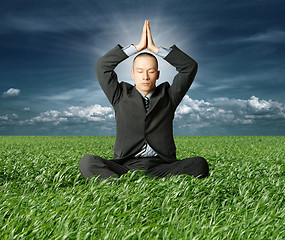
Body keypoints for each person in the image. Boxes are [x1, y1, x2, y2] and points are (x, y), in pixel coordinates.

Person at [79, 20, 209, 183]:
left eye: (151, 71)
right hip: (126, 166)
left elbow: (189, 67)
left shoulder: (169, 96)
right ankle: (121, 187)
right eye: (140, 71)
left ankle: (133, 185)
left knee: (199, 164)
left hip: (162, 167)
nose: (145, 76)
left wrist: (155, 49)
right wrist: (137, 48)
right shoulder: (119, 95)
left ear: (158, 74)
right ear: (133, 74)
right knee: (87, 162)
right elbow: (102, 66)